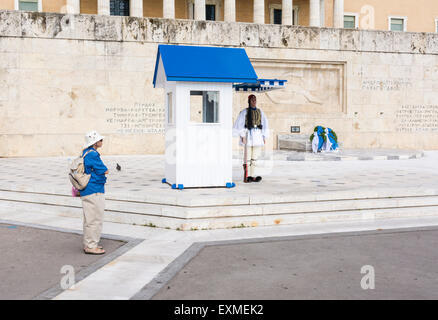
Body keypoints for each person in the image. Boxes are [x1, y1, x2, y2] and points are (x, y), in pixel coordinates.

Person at [80, 130, 108, 255]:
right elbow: (104, 170)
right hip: (94, 190)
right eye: (100, 140)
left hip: (88, 190)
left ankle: (89, 244)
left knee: (89, 219)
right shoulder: (93, 155)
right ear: (95, 142)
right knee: (95, 219)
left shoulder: (85, 152)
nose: (102, 141)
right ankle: (91, 246)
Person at [233, 94, 269, 182]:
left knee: (255, 157)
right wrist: (242, 136)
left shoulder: (260, 112)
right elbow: (239, 124)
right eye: (252, 100)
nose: (254, 102)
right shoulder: (244, 112)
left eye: (255, 100)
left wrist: (264, 136)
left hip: (257, 135)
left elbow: (265, 123)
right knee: (248, 157)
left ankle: (253, 175)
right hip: (248, 135)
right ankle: (247, 175)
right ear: (249, 101)